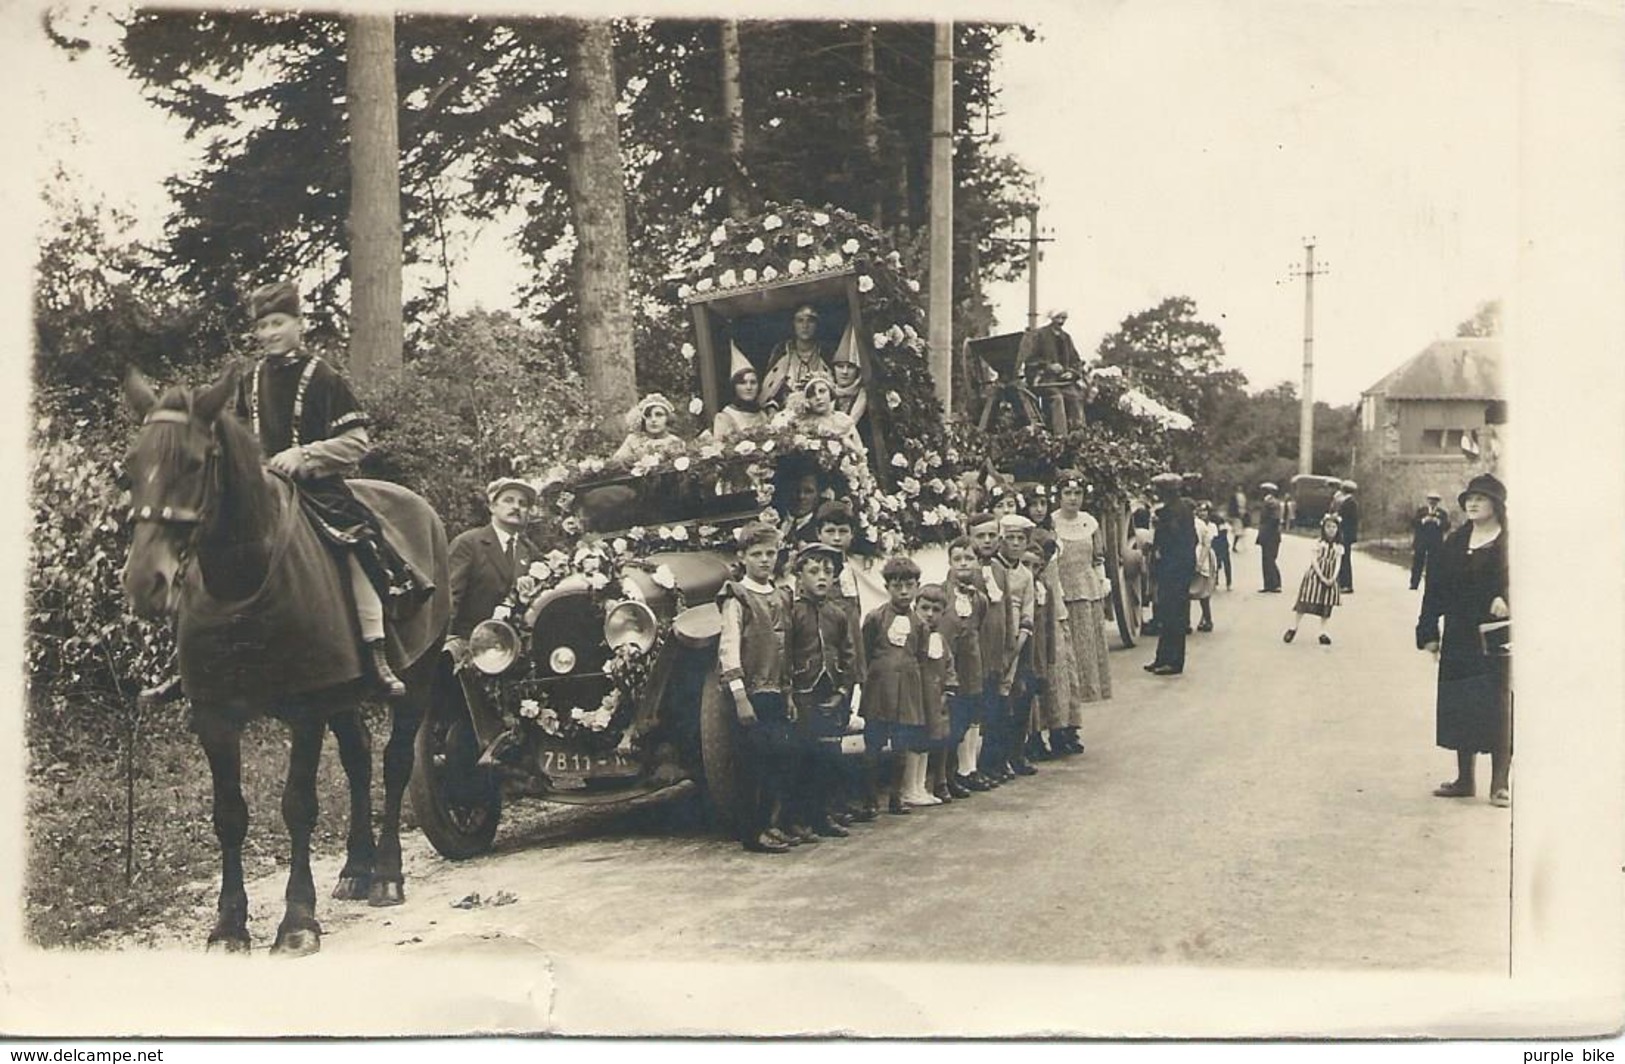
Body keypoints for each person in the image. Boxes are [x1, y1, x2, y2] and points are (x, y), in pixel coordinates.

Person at [231, 280, 431, 698]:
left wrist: (304, 455)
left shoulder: (323, 377)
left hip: (317, 491)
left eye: (279, 323)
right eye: (263, 325)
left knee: (356, 545)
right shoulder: (248, 380)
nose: (269, 333)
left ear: (298, 324)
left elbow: (356, 441)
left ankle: (375, 648)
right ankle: (204, 653)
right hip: (261, 495)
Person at [1417, 473, 1511, 808]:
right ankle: (1464, 779)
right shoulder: (1455, 542)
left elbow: (1535, 581)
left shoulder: (1510, 544)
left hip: (1497, 637)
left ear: (1496, 505)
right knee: (1459, 702)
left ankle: (1500, 783)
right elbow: (1435, 589)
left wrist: (1508, 597)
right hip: (1458, 635)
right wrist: (1428, 631)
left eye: (1480, 499)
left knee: (1498, 705)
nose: (1472, 503)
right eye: (1469, 498)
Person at [447, 478, 542, 765]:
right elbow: (451, 595)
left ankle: (528, 761)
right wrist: (447, 639)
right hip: (477, 647)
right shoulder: (470, 543)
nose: (517, 508)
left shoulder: (530, 552)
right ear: (492, 506)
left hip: (521, 648)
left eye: (523, 504)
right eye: (509, 500)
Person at [717, 522, 796, 854]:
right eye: (757, 554)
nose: (765, 560)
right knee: (753, 763)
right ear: (743, 557)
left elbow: (785, 648)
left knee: (776, 760)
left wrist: (788, 693)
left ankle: (769, 824)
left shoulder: (781, 595)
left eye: (771, 553)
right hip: (750, 693)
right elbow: (729, 647)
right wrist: (739, 696)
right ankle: (752, 832)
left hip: (776, 690)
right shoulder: (737, 596)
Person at [786, 543, 857, 840]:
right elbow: (784, 653)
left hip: (831, 694)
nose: (822, 578)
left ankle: (823, 815)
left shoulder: (837, 614)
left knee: (829, 757)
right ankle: (799, 819)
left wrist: (842, 691)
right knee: (803, 758)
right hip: (803, 694)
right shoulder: (792, 612)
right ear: (799, 576)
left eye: (828, 572)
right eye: (814, 571)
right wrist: (788, 692)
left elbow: (849, 654)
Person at [1050, 470, 1111, 755]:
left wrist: (1102, 580)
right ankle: (1057, 728)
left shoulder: (1090, 523)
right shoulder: (1051, 523)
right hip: (1061, 597)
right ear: (1059, 495)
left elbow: (1098, 558)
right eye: (1067, 494)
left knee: (1081, 664)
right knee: (1061, 664)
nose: (1073, 499)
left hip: (1086, 598)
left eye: (1078, 494)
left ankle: (1073, 727)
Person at [861, 555, 927, 815]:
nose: (903, 591)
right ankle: (869, 799)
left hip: (907, 690)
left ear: (916, 586)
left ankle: (896, 797)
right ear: (887, 587)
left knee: (901, 746)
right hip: (879, 690)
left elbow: (920, 656)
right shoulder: (875, 618)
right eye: (897, 585)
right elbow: (865, 653)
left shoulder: (919, 624)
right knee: (873, 745)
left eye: (909, 585)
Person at [987, 513, 1038, 777]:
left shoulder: (1025, 575)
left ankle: (1016, 753)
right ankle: (994, 759)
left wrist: (1018, 643)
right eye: (1010, 538)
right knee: (996, 699)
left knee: (1020, 695)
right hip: (996, 637)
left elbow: (1028, 609)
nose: (1016, 544)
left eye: (1021, 539)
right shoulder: (993, 569)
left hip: (1019, 640)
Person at [937, 537, 987, 800]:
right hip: (950, 667)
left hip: (972, 667)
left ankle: (963, 771)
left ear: (977, 562)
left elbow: (978, 625)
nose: (963, 564)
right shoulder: (942, 594)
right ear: (950, 563)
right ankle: (945, 776)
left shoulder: (978, 598)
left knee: (968, 717)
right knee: (951, 723)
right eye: (958, 559)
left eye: (968, 558)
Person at [961, 513, 1009, 791]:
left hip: (996, 654)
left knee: (994, 710)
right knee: (974, 713)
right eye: (981, 536)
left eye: (992, 535)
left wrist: (1008, 649)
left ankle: (991, 763)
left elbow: (1006, 615)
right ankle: (969, 769)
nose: (988, 540)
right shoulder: (968, 573)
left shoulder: (1000, 569)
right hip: (975, 656)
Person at [900, 583, 956, 807]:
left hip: (935, 699)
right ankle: (908, 788)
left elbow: (949, 664)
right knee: (915, 742)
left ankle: (920, 786)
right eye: (924, 608)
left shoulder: (939, 639)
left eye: (935, 610)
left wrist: (949, 687)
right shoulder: (911, 635)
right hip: (917, 698)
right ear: (916, 608)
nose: (929, 615)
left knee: (928, 742)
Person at [1145, 472, 1196, 676]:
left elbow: (1173, 541)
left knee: (1173, 615)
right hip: (1176, 569)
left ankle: (1173, 661)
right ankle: (1163, 658)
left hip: (1174, 569)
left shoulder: (1172, 513)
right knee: (1168, 614)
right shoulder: (1181, 509)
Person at [1283, 513, 1343, 646]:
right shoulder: (1319, 543)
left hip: (1330, 576)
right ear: (1323, 528)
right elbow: (1314, 560)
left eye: (1334, 527)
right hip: (1316, 575)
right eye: (1328, 527)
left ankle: (1323, 632)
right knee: (1305, 601)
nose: (1331, 530)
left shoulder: (1339, 547)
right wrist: (1321, 576)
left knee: (1327, 605)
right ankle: (1293, 627)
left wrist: (1333, 577)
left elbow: (1338, 562)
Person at [762, 303, 833, 409]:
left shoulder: (825, 352)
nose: (805, 326)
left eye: (810, 320)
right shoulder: (782, 351)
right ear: (793, 324)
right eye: (800, 320)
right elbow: (770, 390)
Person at [611, 393, 686, 466]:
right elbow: (616, 464)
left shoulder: (675, 442)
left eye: (659, 415)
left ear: (668, 419)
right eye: (648, 415)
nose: (653, 420)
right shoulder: (633, 440)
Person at [712, 346, 769, 440]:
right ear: (734, 387)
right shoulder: (725, 418)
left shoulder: (762, 415)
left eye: (753, 382)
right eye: (742, 383)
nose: (749, 387)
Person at [1410, 490, 1451, 590]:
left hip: (1435, 543)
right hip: (1421, 542)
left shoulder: (1442, 513)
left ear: (1438, 501)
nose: (1433, 502)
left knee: (1434, 565)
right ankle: (1414, 584)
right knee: (1417, 562)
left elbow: (1447, 526)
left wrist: (1438, 522)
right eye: (1431, 499)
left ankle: (1430, 584)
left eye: (1435, 500)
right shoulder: (1421, 511)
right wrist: (1424, 520)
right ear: (1428, 500)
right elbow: (1413, 523)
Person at [1191, 501, 1218, 633]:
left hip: (1204, 556)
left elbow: (1208, 544)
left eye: (1204, 511)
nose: (1201, 513)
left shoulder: (1206, 526)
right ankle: (1186, 622)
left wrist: (1201, 562)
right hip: (1191, 557)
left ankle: (1207, 619)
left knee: (1204, 592)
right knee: (1187, 591)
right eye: (1199, 511)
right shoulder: (1191, 523)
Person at [1256, 481, 1284, 593]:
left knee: (1269, 559)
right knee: (1267, 560)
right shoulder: (1270, 502)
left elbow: (1274, 519)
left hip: (1270, 536)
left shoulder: (1271, 503)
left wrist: (1266, 531)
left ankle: (1274, 584)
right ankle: (1269, 584)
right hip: (1269, 536)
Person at [1336, 480, 1360, 593]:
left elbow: (1349, 521)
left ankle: (1346, 584)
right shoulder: (1349, 502)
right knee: (1343, 558)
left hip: (1346, 534)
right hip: (1346, 534)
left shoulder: (1350, 503)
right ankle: (1342, 582)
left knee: (1345, 559)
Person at [1210, 509, 1233, 590]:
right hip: (1223, 545)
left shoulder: (1211, 523)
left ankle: (1215, 581)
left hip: (1216, 545)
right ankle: (1228, 583)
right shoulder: (1222, 524)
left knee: (1215, 564)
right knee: (1226, 564)